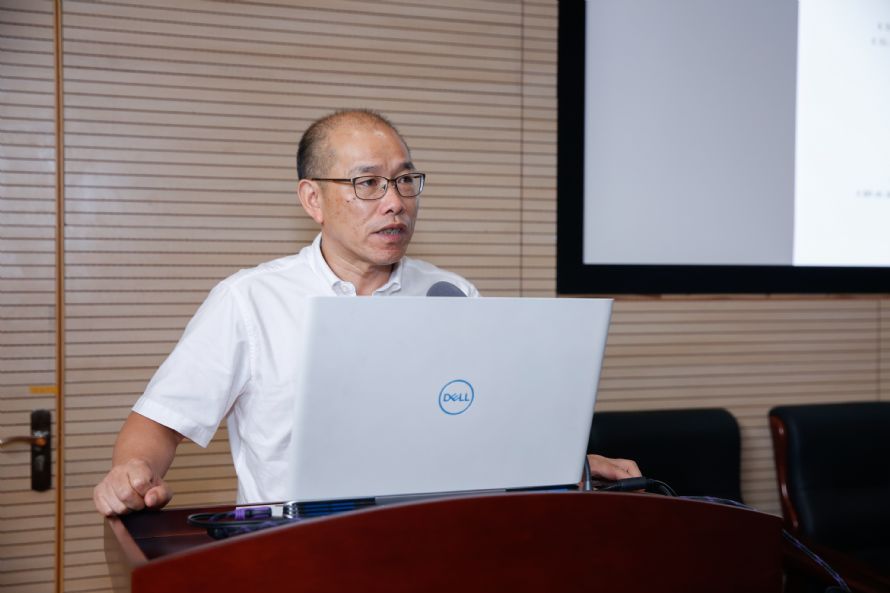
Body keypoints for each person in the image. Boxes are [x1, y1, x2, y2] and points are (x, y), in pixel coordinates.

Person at [92, 110, 640, 516]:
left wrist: (563, 461)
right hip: (291, 549)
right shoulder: (250, 300)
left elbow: (486, 424)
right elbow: (156, 425)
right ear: (313, 199)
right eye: (368, 183)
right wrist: (132, 473)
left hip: (433, 539)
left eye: (404, 180)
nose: (395, 201)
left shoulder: (450, 293)